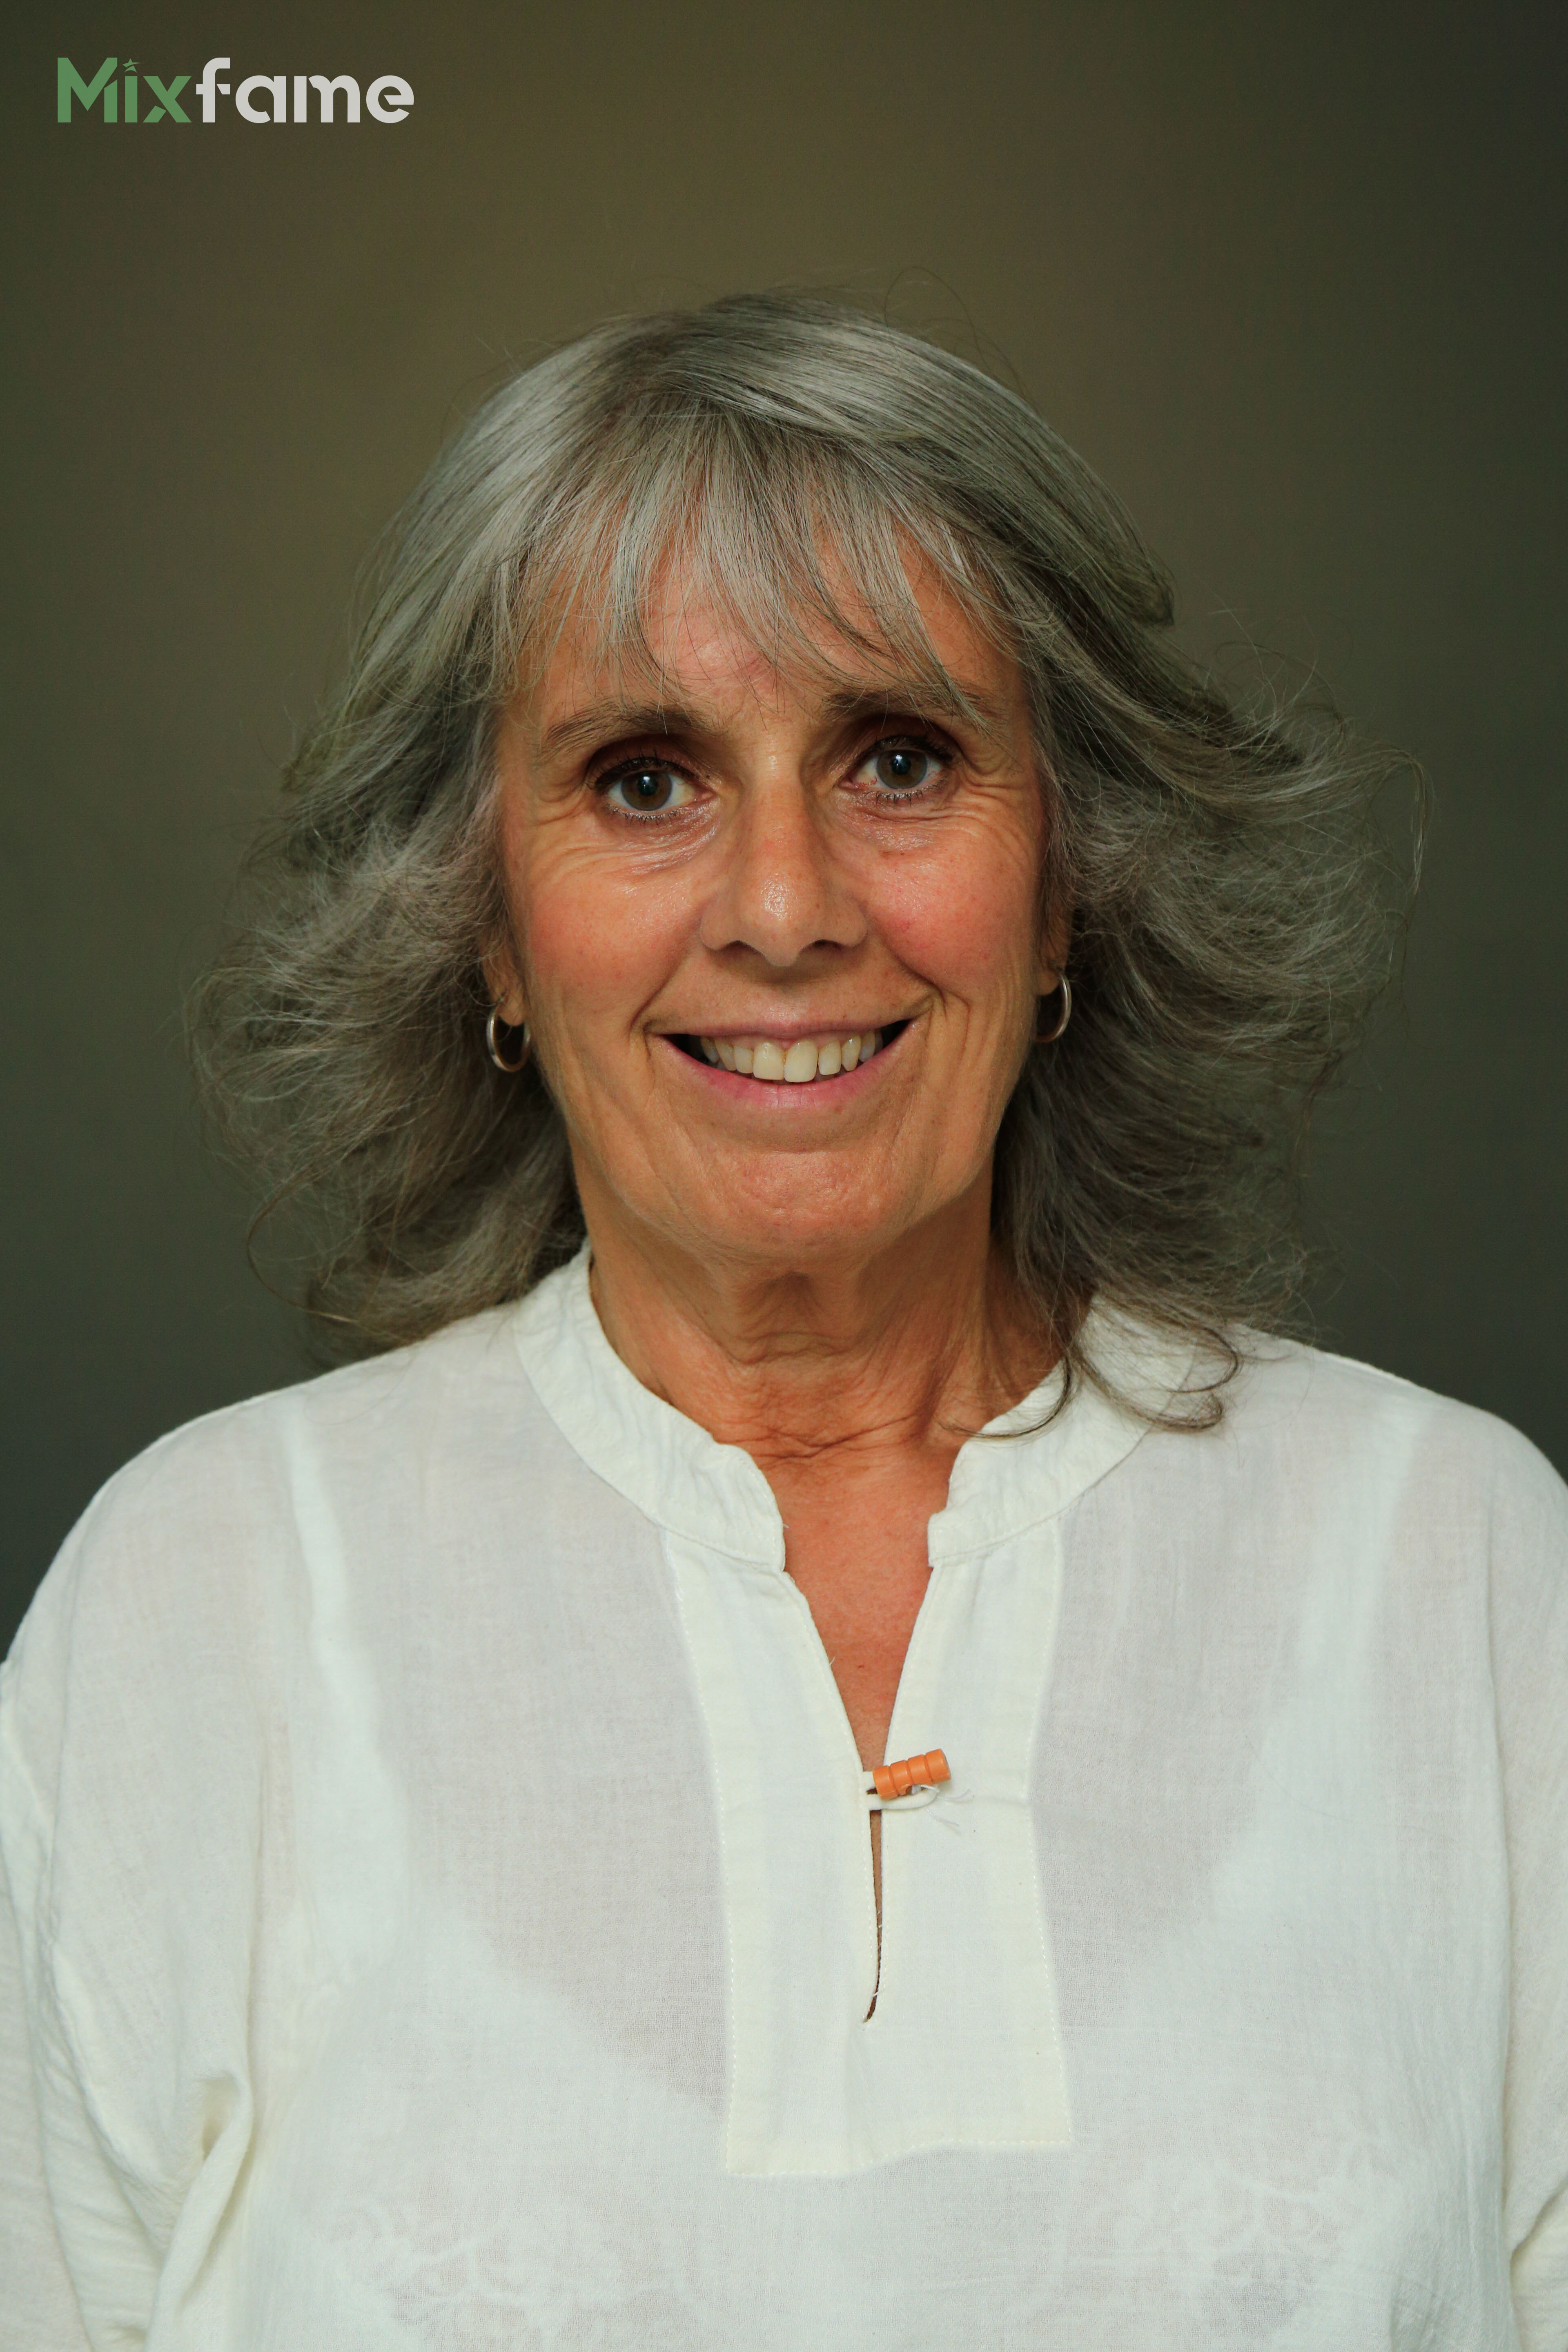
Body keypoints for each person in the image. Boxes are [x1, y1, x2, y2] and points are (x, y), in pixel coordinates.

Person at [2, 293, 1564, 2350]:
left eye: (900, 759)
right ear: (488, 923)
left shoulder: (1461, 1566)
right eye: (645, 778)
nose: (784, 905)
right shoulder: (195, 1607)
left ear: (1067, 878)